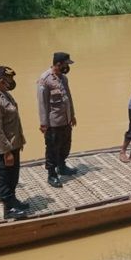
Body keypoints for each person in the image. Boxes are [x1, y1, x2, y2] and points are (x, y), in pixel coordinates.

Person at [0, 66, 29, 220]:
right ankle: (8, 209)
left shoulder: (5, 95)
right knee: (5, 178)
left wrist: (19, 141)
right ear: (2, 81)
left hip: (13, 143)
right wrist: (7, 152)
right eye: (10, 79)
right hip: (5, 148)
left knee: (13, 177)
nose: (12, 82)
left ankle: (13, 200)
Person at [37, 52, 77, 188]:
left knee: (65, 146)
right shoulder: (45, 79)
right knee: (52, 149)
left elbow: (68, 97)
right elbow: (42, 103)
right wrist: (43, 123)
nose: (67, 66)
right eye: (66, 64)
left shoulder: (63, 78)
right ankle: (52, 174)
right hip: (53, 122)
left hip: (65, 120)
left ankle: (62, 166)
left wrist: (72, 115)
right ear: (59, 64)